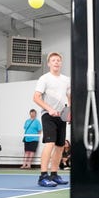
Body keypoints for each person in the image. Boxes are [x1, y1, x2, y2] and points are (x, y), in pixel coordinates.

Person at [33, 52, 70, 187]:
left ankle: (54, 174)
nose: (56, 62)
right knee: (50, 144)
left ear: (61, 63)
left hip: (62, 116)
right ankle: (43, 176)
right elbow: (36, 97)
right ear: (49, 63)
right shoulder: (44, 78)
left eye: (58, 60)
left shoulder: (66, 79)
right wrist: (49, 109)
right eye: (53, 60)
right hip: (48, 115)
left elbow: (69, 96)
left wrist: (69, 112)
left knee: (60, 146)